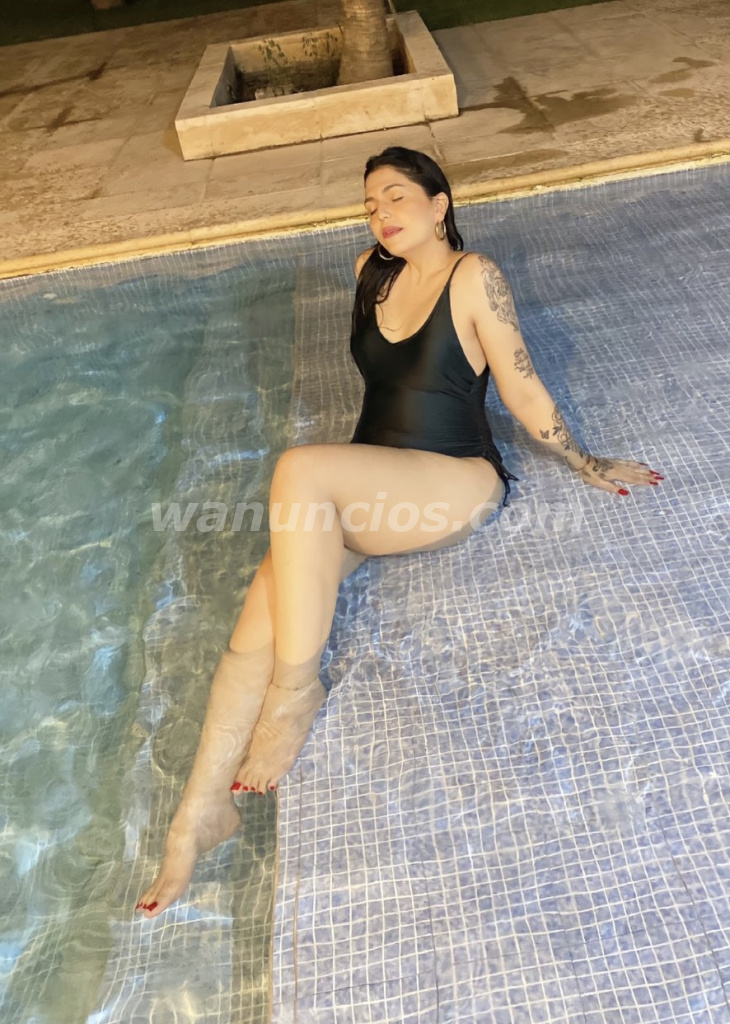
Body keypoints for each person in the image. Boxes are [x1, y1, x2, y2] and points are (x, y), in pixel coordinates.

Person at [136, 147, 662, 917]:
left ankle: (296, 692)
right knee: (265, 594)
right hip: (371, 487)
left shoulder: (474, 276)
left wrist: (585, 461)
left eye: (396, 197)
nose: (380, 214)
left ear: (439, 204)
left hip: (455, 479)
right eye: (370, 204)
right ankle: (200, 812)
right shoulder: (369, 274)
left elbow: (520, 387)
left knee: (300, 469)